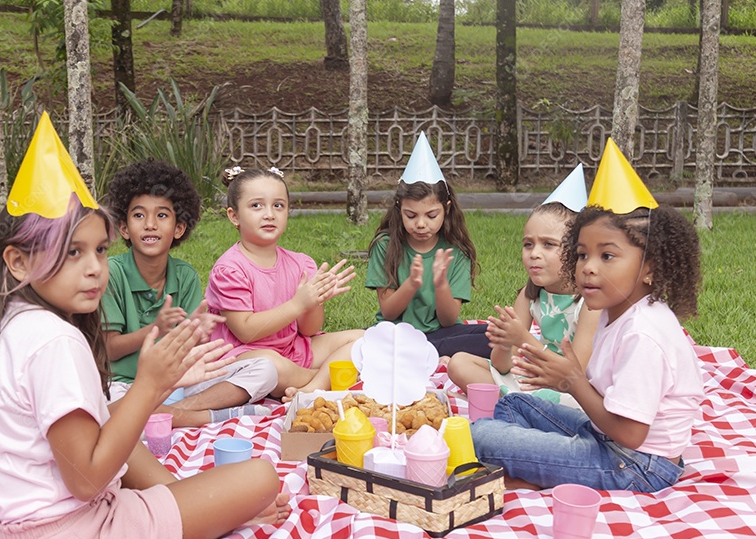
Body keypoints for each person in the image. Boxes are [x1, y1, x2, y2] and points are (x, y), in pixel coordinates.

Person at [0, 116, 289, 539]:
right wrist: (153, 384)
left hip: (8, 537)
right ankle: (200, 510)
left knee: (122, 428)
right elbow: (88, 481)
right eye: (72, 253)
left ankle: (189, 503)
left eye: (98, 250)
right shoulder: (54, 340)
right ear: (18, 260)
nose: (94, 269)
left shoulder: (10, 323)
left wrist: (167, 380)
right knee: (259, 478)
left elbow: (92, 432)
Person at [471, 141, 703, 492]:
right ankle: (543, 468)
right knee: (517, 402)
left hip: (637, 465)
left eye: (607, 256)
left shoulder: (644, 334)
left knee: (481, 435)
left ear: (650, 268)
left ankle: (535, 473)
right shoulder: (616, 311)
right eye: (581, 255)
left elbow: (631, 433)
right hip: (606, 439)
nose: (588, 268)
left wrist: (571, 382)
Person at [102, 160, 278, 426]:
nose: (150, 224)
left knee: (265, 369)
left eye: (162, 215)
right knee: (107, 411)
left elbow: (190, 352)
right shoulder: (111, 274)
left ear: (179, 228)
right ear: (124, 227)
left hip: (178, 384)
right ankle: (203, 417)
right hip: (125, 386)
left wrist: (197, 332)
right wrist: (156, 329)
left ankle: (170, 414)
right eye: (139, 215)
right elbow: (110, 349)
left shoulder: (184, 275)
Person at [205, 166, 363, 399]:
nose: (269, 214)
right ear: (234, 216)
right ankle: (327, 377)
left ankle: (310, 387)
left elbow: (308, 331)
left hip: (293, 349)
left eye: (278, 205)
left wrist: (315, 300)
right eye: (256, 205)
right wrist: (298, 304)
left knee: (364, 339)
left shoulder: (301, 263)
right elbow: (247, 332)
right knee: (269, 366)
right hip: (245, 355)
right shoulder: (229, 269)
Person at [448, 187, 599, 407]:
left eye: (548, 244)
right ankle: (522, 405)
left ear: (577, 251)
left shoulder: (590, 302)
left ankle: (518, 405)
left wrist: (523, 338)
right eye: (528, 244)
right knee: (459, 363)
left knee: (574, 404)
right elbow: (503, 366)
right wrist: (504, 343)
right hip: (536, 378)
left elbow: (576, 374)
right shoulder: (530, 294)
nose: (534, 253)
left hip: (574, 388)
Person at [365, 132, 490, 360]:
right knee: (373, 342)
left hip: (441, 333)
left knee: (493, 336)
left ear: (447, 209)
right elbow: (388, 312)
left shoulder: (456, 251)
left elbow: (449, 320)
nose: (421, 224)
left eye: (431, 215)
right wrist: (412, 283)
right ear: (399, 209)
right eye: (411, 215)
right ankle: (421, 354)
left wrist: (440, 283)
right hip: (395, 335)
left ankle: (423, 353)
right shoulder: (386, 246)